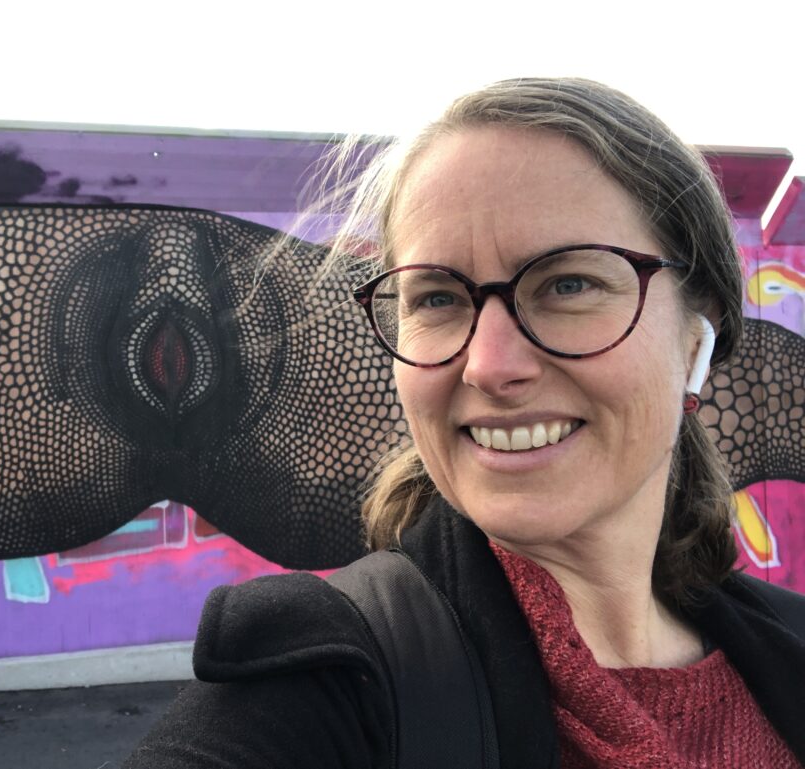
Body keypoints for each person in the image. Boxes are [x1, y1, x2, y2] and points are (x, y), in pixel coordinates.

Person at [123, 78, 805, 768]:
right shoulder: (328, 684)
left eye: (568, 284)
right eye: (439, 297)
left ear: (696, 340)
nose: (487, 365)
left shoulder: (788, 644)